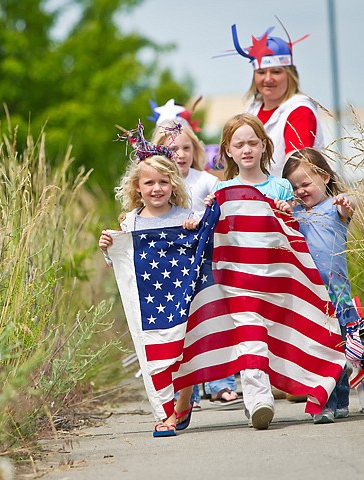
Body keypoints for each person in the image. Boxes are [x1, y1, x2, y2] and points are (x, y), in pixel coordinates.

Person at [99, 127, 200, 437]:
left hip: (183, 298)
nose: (157, 188)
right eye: (149, 183)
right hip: (149, 303)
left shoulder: (186, 216)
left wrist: (197, 228)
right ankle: (165, 412)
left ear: (174, 184)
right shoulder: (130, 222)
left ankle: (184, 399)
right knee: (156, 354)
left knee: (184, 354)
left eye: (163, 182)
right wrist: (108, 249)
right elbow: (123, 264)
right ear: (137, 187)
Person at [204, 113, 294, 429]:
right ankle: (258, 400)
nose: (246, 150)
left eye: (252, 143)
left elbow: (294, 231)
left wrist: (288, 211)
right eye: (238, 144)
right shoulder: (222, 190)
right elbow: (213, 232)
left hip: (276, 275)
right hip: (239, 277)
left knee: (275, 335)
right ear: (228, 150)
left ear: (263, 146)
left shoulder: (281, 187)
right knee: (250, 334)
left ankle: (303, 385)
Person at [151, 116, 239, 404]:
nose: (180, 154)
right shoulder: (158, 183)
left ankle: (220, 381)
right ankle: (183, 393)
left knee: (210, 316)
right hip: (173, 265)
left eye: (186, 148)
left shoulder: (207, 181)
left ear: (195, 150)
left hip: (205, 260)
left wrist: (201, 218)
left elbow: (220, 215)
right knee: (179, 324)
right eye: (172, 149)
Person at [282, 147, 359, 424]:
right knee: (318, 349)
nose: (301, 190)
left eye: (306, 183)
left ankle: (340, 397)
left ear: (325, 177)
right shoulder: (297, 214)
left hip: (337, 292)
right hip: (310, 294)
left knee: (338, 349)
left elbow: (344, 211)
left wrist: (343, 207)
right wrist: (286, 212)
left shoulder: (335, 207)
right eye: (294, 186)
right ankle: (322, 402)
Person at [230, 23, 325, 178]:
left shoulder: (299, 110)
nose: (268, 79)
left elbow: (296, 166)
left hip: (288, 197)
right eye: (261, 72)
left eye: (276, 71)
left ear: (290, 74)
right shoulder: (252, 110)